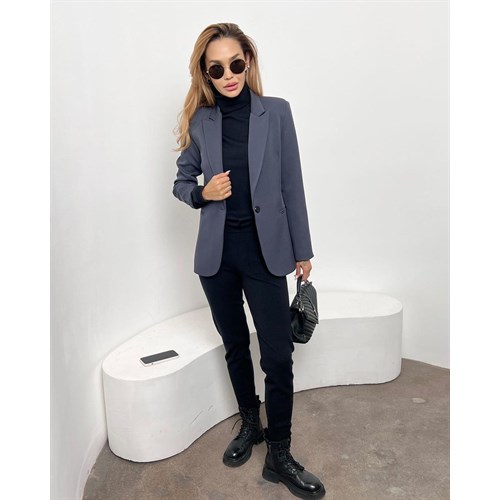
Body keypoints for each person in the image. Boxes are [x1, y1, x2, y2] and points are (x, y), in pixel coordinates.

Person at [172, 22, 325, 499]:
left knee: (278, 355)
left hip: (265, 253)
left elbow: (291, 183)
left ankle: (280, 452)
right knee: (236, 346)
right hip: (218, 257)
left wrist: (302, 249)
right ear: (206, 74)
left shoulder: (276, 112)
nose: (229, 75)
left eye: (236, 64)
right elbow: (181, 183)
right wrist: (204, 192)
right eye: (217, 69)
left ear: (249, 61)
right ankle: (251, 424)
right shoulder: (201, 121)